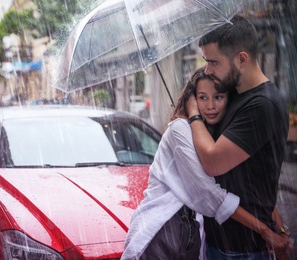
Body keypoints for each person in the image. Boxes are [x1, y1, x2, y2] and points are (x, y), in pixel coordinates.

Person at [121, 67, 289, 260]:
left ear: (229, 99)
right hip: (162, 228)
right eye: (202, 97)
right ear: (191, 99)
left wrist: (279, 228)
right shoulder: (180, 129)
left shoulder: (217, 137)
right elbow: (206, 194)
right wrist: (265, 231)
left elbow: (249, 187)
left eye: (218, 97)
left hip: (194, 235)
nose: (210, 106)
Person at [187, 15, 293, 259]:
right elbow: (250, 178)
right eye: (206, 62)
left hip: (241, 250)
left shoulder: (262, 105)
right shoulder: (235, 94)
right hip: (221, 242)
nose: (207, 70)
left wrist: (193, 114)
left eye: (213, 62)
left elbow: (213, 162)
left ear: (241, 59)